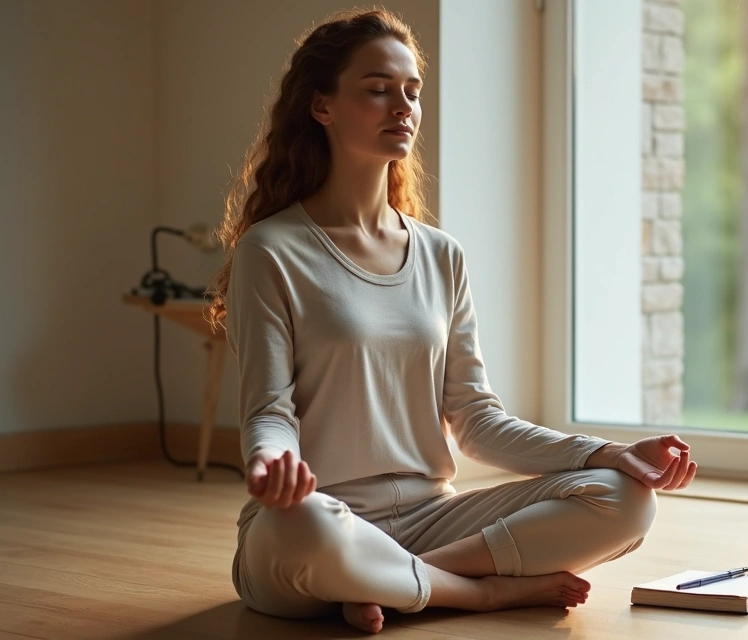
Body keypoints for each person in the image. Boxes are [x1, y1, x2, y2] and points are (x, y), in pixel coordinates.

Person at [203, 8, 697, 635]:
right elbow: (269, 411)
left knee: (625, 498)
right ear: (321, 106)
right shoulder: (270, 251)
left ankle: (401, 581)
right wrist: (271, 465)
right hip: (315, 519)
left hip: (433, 517)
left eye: (412, 91)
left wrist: (609, 452)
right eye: (378, 89)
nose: (403, 106)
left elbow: (477, 420)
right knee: (309, 526)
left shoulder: (441, 254)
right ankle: (477, 594)